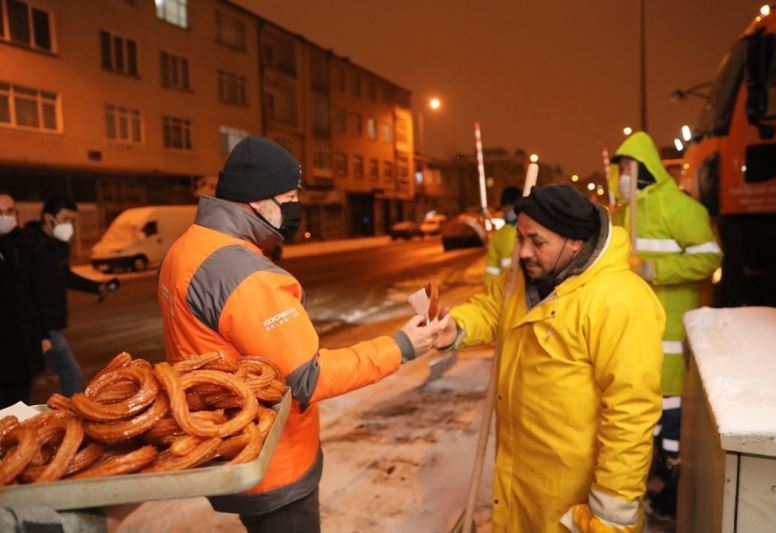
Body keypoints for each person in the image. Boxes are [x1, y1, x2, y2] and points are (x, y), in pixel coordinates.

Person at [157, 136, 443, 532]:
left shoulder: (188, 248)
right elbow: (308, 377)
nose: (295, 209)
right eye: (289, 198)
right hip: (275, 462)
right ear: (257, 201)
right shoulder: (246, 275)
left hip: (230, 444)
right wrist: (402, 347)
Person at [435, 184, 665, 533]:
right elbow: (490, 309)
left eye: (537, 241)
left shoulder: (619, 301)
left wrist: (612, 510)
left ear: (574, 241)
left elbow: (631, 412)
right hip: (519, 480)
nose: (523, 252)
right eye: (520, 239)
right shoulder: (522, 279)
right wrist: (456, 327)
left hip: (571, 492)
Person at [611, 131, 722, 518]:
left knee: (672, 414)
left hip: (672, 332)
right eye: (618, 169)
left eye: (627, 168)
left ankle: (676, 490)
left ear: (643, 169)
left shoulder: (680, 208)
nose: (622, 176)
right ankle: (659, 479)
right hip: (635, 333)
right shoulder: (625, 214)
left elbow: (708, 259)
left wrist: (655, 269)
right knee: (646, 413)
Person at [24, 196, 119, 397]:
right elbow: (25, 289)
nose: (69, 225)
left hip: (51, 325)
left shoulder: (59, 246)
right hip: (37, 325)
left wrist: (96, 287)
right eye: (66, 219)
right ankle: (70, 418)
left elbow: (65, 276)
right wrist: (41, 331)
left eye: (72, 220)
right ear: (48, 218)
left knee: (25, 377)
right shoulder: (29, 245)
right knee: (70, 372)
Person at [0, 191, 49, 407]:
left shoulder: (23, 244)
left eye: (9, 211)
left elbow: (35, 292)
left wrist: (43, 333)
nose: (5, 217)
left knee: (19, 407)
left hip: (21, 346)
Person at [484, 185, 523, 286]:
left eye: (511, 206)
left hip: (526, 289)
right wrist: (489, 290)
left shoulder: (528, 230)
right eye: (505, 207)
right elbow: (492, 269)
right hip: (506, 289)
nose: (507, 211)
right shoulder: (497, 236)